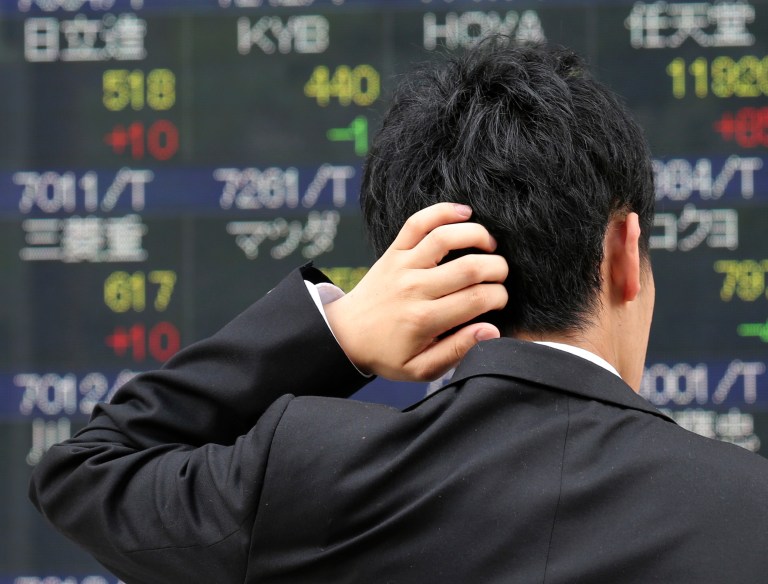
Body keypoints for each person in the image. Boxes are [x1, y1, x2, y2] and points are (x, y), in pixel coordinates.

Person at [30, 40, 768, 583]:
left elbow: (85, 474)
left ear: (412, 272)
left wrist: (337, 332)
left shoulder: (314, 481)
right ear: (623, 250)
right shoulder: (748, 512)